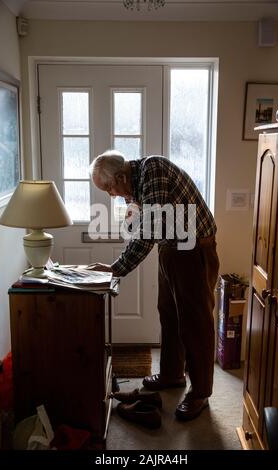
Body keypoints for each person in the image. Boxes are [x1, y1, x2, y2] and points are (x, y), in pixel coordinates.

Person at [89, 150, 219, 421]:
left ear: (122, 176)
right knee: (169, 315)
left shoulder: (153, 171)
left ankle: (201, 393)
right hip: (171, 248)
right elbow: (139, 229)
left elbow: (148, 232)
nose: (111, 196)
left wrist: (115, 270)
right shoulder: (135, 186)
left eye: (110, 188)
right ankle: (173, 375)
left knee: (195, 322)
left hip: (193, 249)